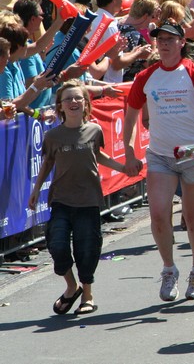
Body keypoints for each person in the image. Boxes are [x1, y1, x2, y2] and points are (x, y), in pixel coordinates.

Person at [123, 20, 194, 302]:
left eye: (170, 39)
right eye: (160, 39)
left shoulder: (193, 72)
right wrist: (129, 151)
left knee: (191, 217)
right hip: (160, 156)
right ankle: (169, 269)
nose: (164, 43)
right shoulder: (146, 76)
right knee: (159, 214)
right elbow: (131, 115)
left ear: (182, 43)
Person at [28, 81, 133, 316]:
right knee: (57, 245)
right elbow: (47, 163)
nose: (73, 102)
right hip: (61, 200)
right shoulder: (53, 136)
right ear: (60, 106)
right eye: (68, 99)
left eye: (78, 98)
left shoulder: (94, 130)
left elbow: (98, 155)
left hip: (89, 199)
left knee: (87, 248)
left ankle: (87, 295)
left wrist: (122, 167)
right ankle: (71, 287)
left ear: (86, 104)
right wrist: (35, 190)